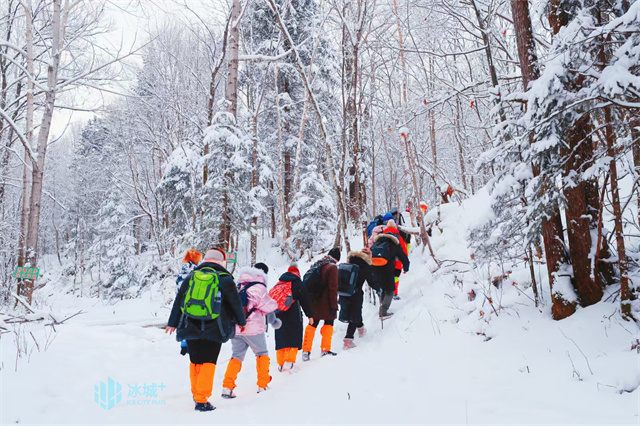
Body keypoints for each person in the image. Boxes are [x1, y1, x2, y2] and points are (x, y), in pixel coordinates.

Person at [166, 248, 246, 412]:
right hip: (215, 327)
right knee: (209, 361)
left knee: (195, 361)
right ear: (221, 262)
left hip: (190, 325)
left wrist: (172, 323)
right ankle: (202, 400)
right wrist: (241, 321)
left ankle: (196, 394)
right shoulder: (224, 279)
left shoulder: (192, 276)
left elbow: (179, 301)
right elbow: (235, 303)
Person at [221, 263, 282, 398]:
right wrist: (275, 303)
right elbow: (269, 306)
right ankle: (262, 384)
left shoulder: (239, 286)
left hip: (237, 328)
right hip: (254, 329)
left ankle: (227, 387)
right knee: (261, 353)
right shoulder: (259, 288)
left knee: (236, 356)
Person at [272, 262, 313, 372]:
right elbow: (305, 300)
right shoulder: (297, 283)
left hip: (278, 315)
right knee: (294, 337)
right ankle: (289, 362)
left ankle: (280, 364)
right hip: (293, 314)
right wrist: (310, 315)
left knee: (281, 338)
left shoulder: (280, 282)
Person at [302, 247, 340, 360]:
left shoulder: (318, 264)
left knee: (312, 324)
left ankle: (305, 350)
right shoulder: (332, 268)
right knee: (329, 323)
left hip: (314, 300)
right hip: (326, 302)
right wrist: (334, 306)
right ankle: (325, 349)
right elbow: (333, 288)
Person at [370, 220, 410, 319]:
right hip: (387, 269)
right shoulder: (394, 244)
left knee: (383, 288)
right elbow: (403, 257)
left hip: (374, 268)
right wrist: (406, 268)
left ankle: (382, 309)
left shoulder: (377, 242)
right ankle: (383, 312)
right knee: (390, 291)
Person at [339, 248, 373, 349]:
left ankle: (361, 329)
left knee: (355, 313)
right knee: (354, 315)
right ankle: (348, 340)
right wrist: (380, 290)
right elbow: (371, 282)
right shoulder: (365, 266)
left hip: (343, 293)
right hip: (355, 294)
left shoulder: (349, 263)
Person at [176, 249, 203, 356]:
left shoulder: (184, 269)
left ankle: (184, 343)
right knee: (193, 322)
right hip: (193, 301)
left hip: (183, 301)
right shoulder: (197, 270)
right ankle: (192, 343)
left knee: (183, 322)